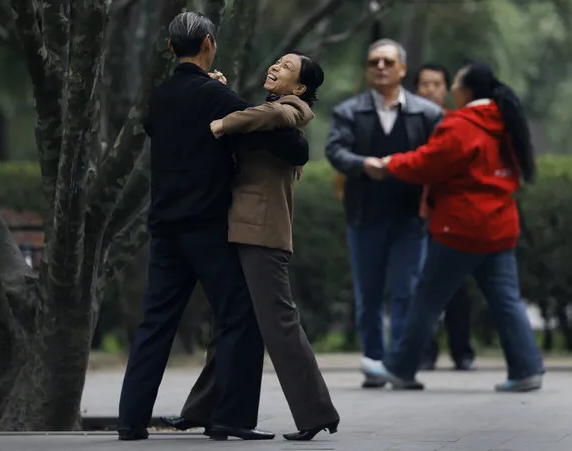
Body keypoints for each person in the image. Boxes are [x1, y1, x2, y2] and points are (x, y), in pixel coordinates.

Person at [117, 12, 309, 441]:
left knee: (156, 322)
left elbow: (160, 128)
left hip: (165, 227)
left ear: (170, 48)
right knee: (239, 314)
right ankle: (232, 418)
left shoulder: (160, 95)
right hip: (208, 227)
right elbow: (293, 148)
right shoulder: (216, 98)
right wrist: (227, 98)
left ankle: (130, 420)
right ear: (209, 44)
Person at [162, 52, 340, 442]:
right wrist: (222, 97)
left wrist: (223, 121)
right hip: (242, 225)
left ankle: (316, 413)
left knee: (278, 323)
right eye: (276, 62)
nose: (275, 66)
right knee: (234, 320)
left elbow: (279, 117)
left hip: (262, 229)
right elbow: (258, 115)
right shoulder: (266, 109)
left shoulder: (291, 108)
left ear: (300, 88)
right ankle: (204, 410)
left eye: (287, 67)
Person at [360, 61, 545, 392]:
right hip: (499, 227)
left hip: (459, 229)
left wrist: (390, 164)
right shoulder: (506, 122)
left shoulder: (462, 125)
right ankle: (527, 369)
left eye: (456, 84)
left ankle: (400, 369)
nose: (454, 90)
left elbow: (428, 162)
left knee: (426, 298)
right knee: (507, 301)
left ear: (467, 91)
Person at [325, 39, 442, 389]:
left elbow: (440, 156)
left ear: (402, 69)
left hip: (411, 219)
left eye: (387, 62)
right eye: (373, 61)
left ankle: (401, 365)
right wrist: (364, 165)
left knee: (408, 291)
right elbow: (334, 150)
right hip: (365, 217)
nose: (380, 67)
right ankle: (373, 362)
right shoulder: (348, 111)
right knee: (369, 295)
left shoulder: (429, 113)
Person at [414, 63, 476, 372]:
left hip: (448, 215)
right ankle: (424, 352)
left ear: (446, 89)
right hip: (414, 214)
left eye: (436, 84)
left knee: (456, 286)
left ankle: (462, 351)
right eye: (423, 84)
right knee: (420, 284)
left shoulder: (457, 122)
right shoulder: (409, 123)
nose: (429, 90)